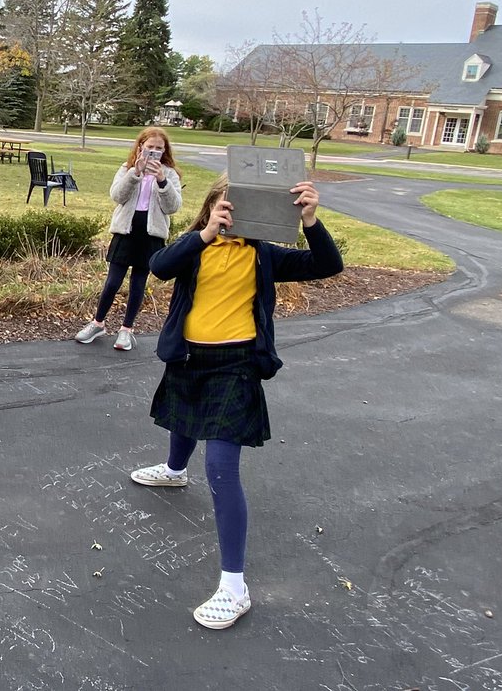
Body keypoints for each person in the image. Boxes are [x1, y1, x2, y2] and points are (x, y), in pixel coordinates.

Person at [128, 173, 343, 630]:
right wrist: (206, 233)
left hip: (236, 367)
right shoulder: (196, 246)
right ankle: (173, 471)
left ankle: (234, 586)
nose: (235, 213)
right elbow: (159, 266)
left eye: (246, 206)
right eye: (228, 203)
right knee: (183, 419)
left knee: (221, 467)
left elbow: (327, 264)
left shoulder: (262, 254)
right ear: (211, 206)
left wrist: (310, 220)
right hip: (189, 359)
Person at [75, 128, 182, 350]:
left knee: (138, 283)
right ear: (141, 146)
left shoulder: (169, 174)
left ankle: (126, 329)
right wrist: (135, 173)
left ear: (165, 151)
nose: (153, 151)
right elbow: (117, 196)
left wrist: (162, 181)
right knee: (112, 282)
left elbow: (172, 207)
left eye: (159, 148)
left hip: (151, 234)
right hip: (126, 231)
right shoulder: (127, 168)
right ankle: (98, 323)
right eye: (149, 147)